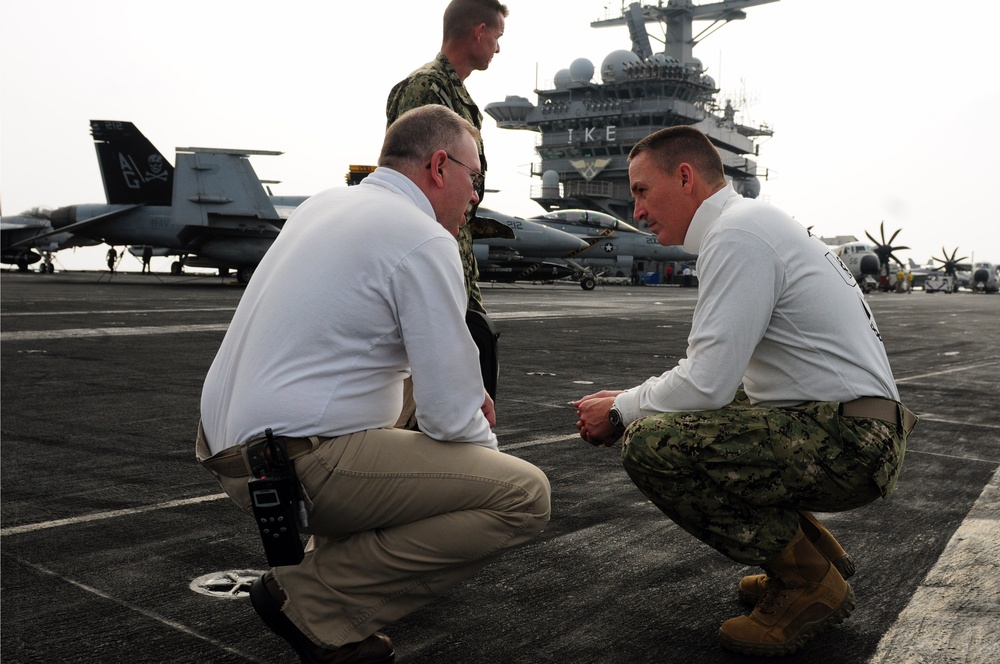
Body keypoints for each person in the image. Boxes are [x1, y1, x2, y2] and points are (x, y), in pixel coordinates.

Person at [197, 105, 550, 664]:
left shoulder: (324, 205)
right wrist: (480, 473)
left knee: (407, 388)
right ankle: (312, 601)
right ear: (439, 166)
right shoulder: (423, 238)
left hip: (231, 448)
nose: (476, 196)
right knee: (524, 496)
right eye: (475, 177)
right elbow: (453, 417)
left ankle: (326, 568)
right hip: (298, 462)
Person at [573, 126, 916, 657]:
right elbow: (716, 378)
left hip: (852, 443)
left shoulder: (736, 234)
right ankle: (803, 558)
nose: (636, 210)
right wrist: (634, 397)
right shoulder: (752, 223)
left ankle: (806, 582)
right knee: (684, 412)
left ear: (685, 177)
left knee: (651, 442)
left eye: (641, 191)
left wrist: (619, 410)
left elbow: (705, 382)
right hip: (854, 426)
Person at [386, 0, 509, 400]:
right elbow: (417, 182)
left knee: (475, 357)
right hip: (432, 255)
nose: (498, 48)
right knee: (442, 389)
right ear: (479, 31)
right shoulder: (427, 89)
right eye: (497, 37)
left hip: (454, 255)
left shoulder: (452, 91)